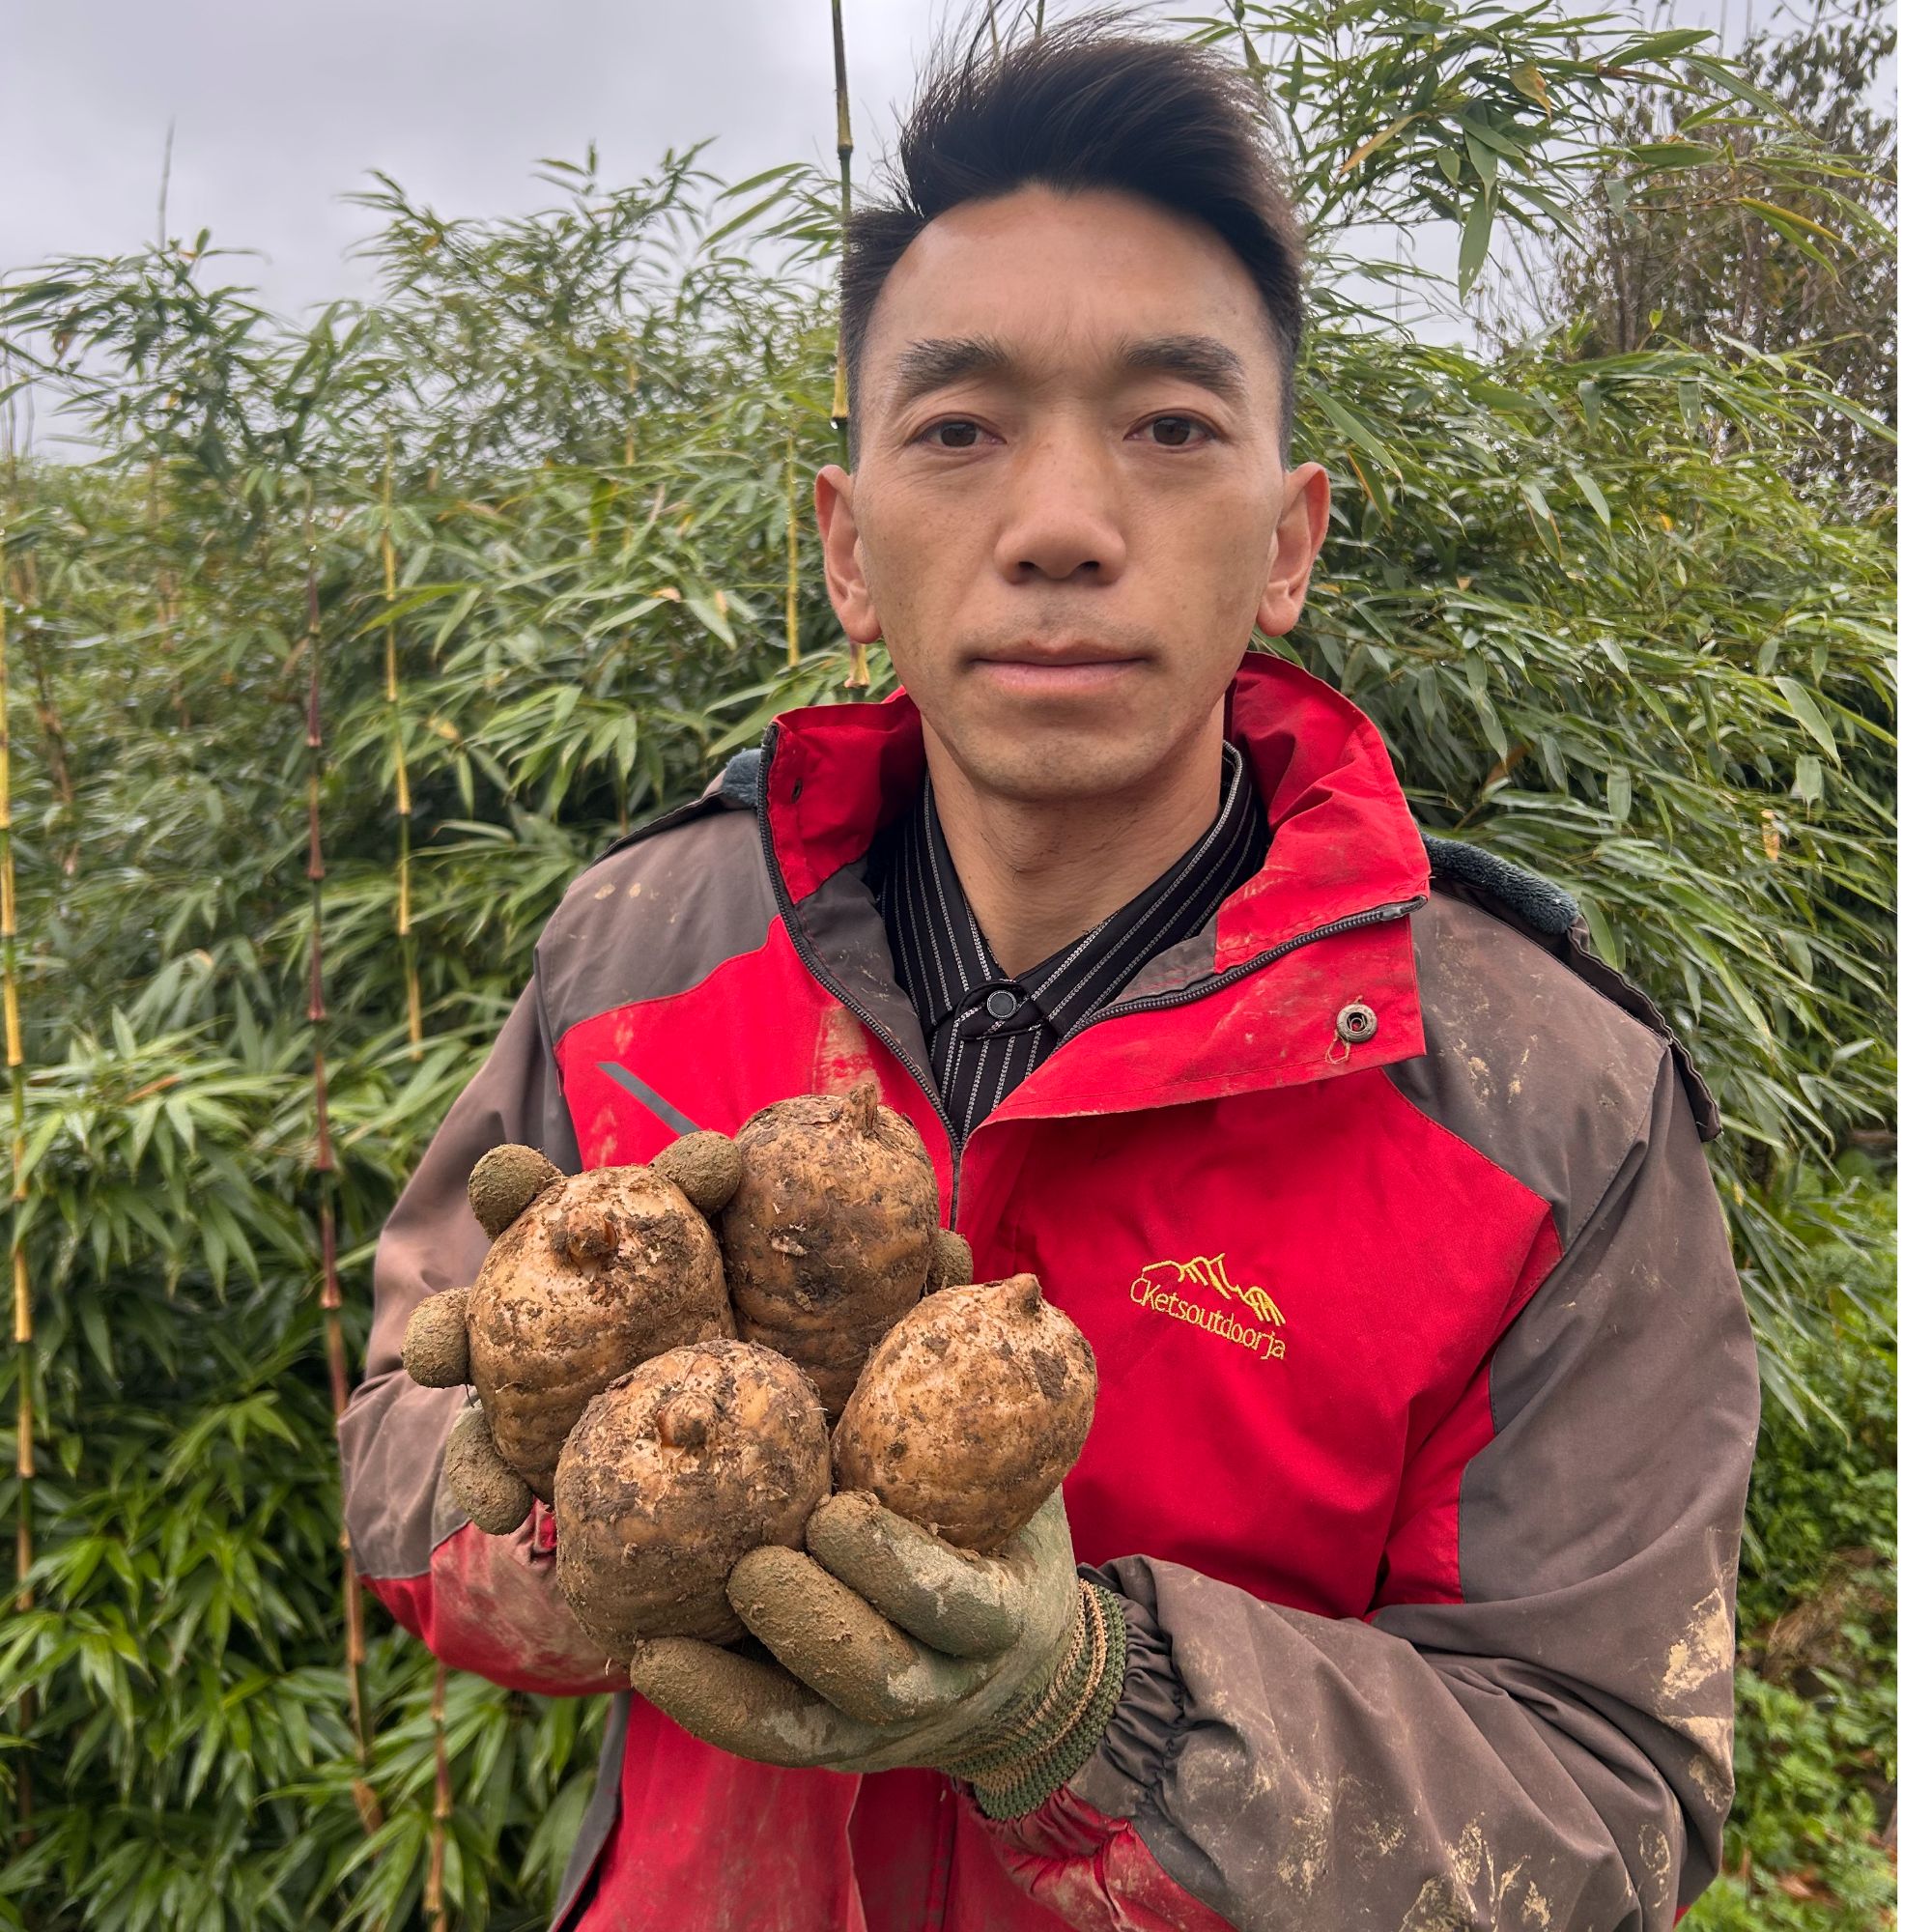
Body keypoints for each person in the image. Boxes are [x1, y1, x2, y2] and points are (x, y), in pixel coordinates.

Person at [337, 19, 1759, 1930]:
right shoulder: (638, 951)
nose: (1066, 526)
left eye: (1172, 428)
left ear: (1289, 538)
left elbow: (1607, 1811)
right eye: (959, 427)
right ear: (847, 547)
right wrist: (551, 1520)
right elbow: (398, 1440)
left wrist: (1096, 1710)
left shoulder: (1538, 1101)